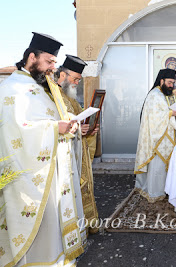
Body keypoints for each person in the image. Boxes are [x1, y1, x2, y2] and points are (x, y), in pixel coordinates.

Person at [0, 32, 85, 266]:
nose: (51, 68)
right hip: (29, 172)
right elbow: (16, 130)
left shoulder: (39, 87)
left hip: (51, 167)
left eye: (53, 63)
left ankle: (55, 258)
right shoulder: (12, 89)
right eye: (48, 62)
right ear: (31, 57)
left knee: (51, 222)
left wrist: (67, 122)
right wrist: (54, 127)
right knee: (38, 223)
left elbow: (50, 117)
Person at [54, 55, 100, 234]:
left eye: (78, 80)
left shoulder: (70, 98)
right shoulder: (53, 96)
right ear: (63, 75)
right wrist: (77, 130)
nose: (76, 83)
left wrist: (89, 131)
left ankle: (84, 227)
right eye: (74, 79)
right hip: (65, 155)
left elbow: (79, 120)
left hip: (78, 152)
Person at [134, 68, 176, 202]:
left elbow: (168, 113)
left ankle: (166, 189)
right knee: (157, 167)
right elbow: (155, 117)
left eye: (173, 83)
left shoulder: (166, 94)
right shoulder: (155, 95)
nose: (171, 85)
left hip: (167, 137)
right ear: (162, 81)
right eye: (169, 82)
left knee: (165, 167)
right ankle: (155, 192)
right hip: (157, 139)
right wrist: (170, 114)